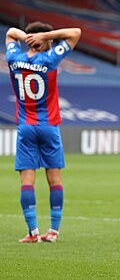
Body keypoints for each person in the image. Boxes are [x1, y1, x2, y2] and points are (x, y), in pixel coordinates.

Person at [5, 22, 81, 243]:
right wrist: (43, 35)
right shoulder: (49, 59)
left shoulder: (14, 59)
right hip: (49, 126)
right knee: (54, 179)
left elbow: (10, 33)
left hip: (25, 127)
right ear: (43, 41)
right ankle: (54, 231)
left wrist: (28, 37)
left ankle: (33, 232)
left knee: (27, 182)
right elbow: (75, 32)